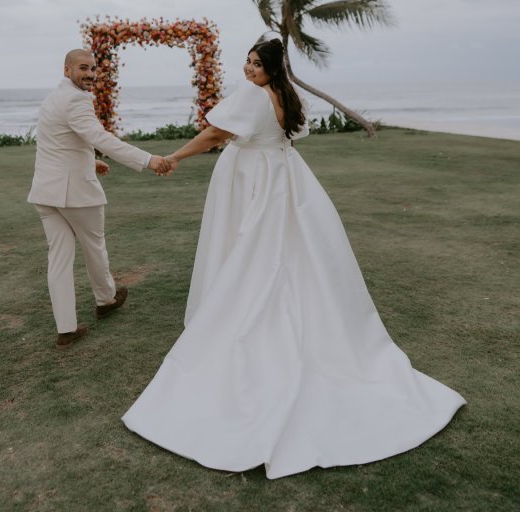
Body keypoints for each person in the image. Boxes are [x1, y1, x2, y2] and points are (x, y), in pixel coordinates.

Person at [122, 38, 465, 480]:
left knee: (250, 248)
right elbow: (289, 136)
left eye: (255, 64)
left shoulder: (251, 96)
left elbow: (215, 133)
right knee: (285, 248)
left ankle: (243, 313)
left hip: (252, 175)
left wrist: (173, 157)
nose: (247, 70)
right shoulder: (288, 94)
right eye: (246, 62)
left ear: (270, 68)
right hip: (282, 174)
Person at [28, 49, 169, 350]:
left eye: (93, 69)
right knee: (95, 246)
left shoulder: (52, 98)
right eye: (83, 68)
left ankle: (66, 329)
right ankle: (106, 300)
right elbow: (100, 137)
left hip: (46, 193)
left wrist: (90, 161)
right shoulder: (76, 99)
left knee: (59, 259)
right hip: (76, 194)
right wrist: (148, 159)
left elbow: (59, 141)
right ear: (66, 70)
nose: (91, 75)